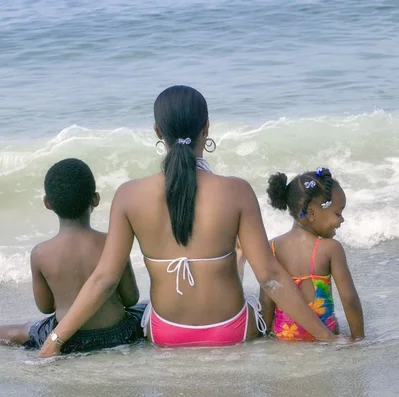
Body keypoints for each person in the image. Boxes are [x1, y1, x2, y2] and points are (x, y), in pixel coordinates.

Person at [38, 86, 338, 356]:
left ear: (158, 131)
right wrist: (327, 338)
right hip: (232, 330)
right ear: (206, 127)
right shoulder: (237, 191)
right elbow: (270, 277)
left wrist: (54, 340)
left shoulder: (129, 196)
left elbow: (104, 281)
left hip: (165, 334)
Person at [0, 158, 143, 354]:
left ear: (47, 203)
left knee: (26, 329)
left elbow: (45, 307)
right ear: (96, 199)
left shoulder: (41, 254)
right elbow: (131, 299)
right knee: (147, 309)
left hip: (68, 339)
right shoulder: (112, 242)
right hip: (119, 334)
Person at [261, 168, 364, 341]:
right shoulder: (331, 248)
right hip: (326, 335)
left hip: (284, 337)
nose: (342, 220)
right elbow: (349, 299)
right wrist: (358, 339)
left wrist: (263, 340)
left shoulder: (272, 246)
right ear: (312, 213)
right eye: (338, 213)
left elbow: (267, 300)